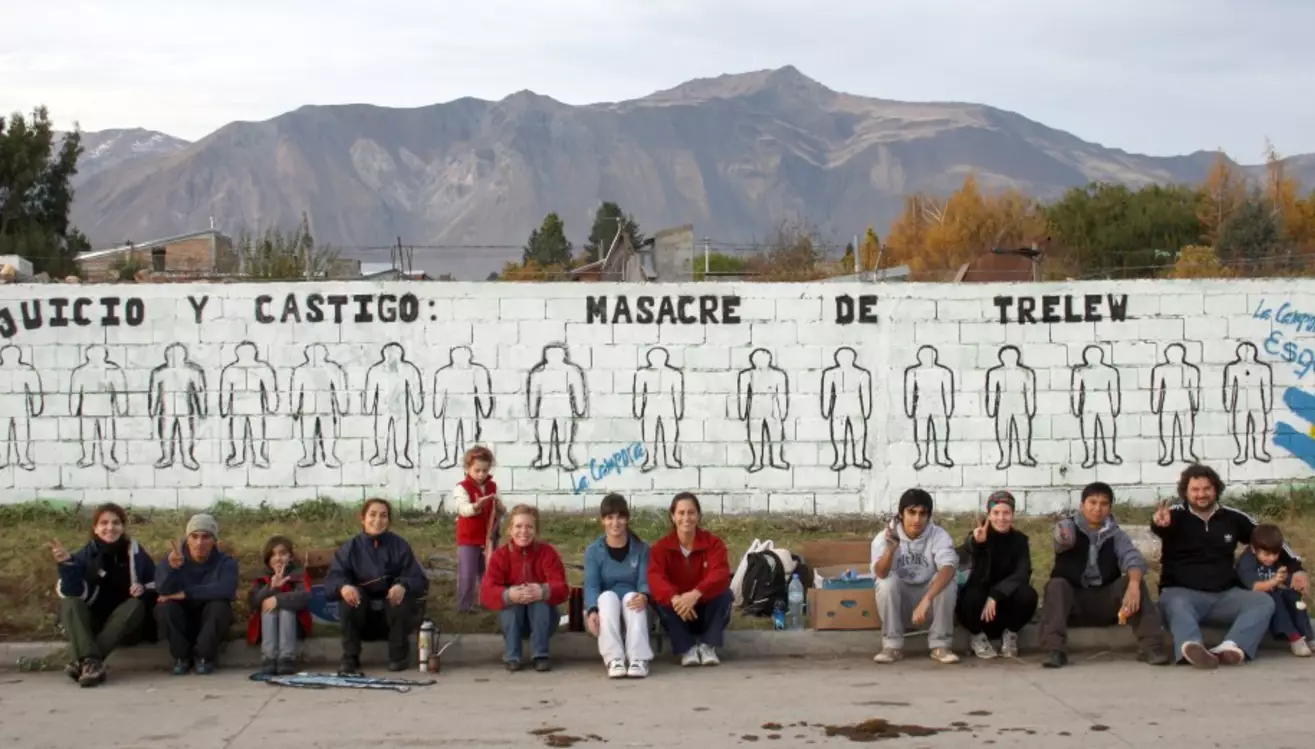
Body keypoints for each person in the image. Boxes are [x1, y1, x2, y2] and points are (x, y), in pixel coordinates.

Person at [1153, 464, 1300, 668]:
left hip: (1225, 595)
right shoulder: (1173, 516)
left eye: (1207, 488)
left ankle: (1231, 647)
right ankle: (1192, 647)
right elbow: (1160, 526)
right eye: (1195, 489)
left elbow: (1267, 538)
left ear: (1216, 489)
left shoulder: (1232, 517)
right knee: (1174, 603)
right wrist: (1159, 524)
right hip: (1182, 594)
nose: (1201, 494)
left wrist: (1296, 568)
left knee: (1263, 602)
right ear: (1185, 491)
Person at [1039, 482, 1169, 668]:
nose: (1097, 509)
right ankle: (1053, 650)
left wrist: (1133, 584)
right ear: (1082, 505)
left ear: (1110, 508)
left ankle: (1152, 648)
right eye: (1092, 503)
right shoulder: (1068, 526)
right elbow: (1061, 539)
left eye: (1103, 504)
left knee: (1134, 582)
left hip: (1105, 601)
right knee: (1056, 585)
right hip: (1072, 603)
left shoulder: (1116, 535)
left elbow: (1132, 558)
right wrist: (1064, 536)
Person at [51, 502, 156, 687]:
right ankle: (92, 663)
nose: (110, 528)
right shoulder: (85, 556)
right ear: (95, 528)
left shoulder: (136, 554)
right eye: (104, 523)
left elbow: (155, 586)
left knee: (135, 605)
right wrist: (66, 565)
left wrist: (142, 591)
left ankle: (84, 661)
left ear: (122, 527)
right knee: (70, 603)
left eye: (116, 523)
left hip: (127, 626)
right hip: (94, 623)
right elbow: (72, 591)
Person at [325, 498, 429, 676]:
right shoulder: (350, 548)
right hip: (363, 616)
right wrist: (343, 587)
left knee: (400, 597)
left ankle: (399, 655)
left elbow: (418, 579)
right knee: (350, 599)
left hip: (392, 616)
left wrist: (402, 585)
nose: (377, 520)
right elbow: (333, 579)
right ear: (363, 518)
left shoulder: (400, 546)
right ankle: (350, 656)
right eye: (372, 515)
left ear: (389, 520)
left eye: (383, 516)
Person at [871, 488, 959, 665]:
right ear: (901, 514)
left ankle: (940, 645)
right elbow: (880, 573)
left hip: (929, 607)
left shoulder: (938, 535)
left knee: (947, 581)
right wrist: (890, 551)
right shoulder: (885, 537)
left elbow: (949, 567)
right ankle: (892, 646)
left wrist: (927, 600)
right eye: (911, 513)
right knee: (887, 581)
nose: (917, 519)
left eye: (922, 513)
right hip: (900, 606)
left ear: (928, 516)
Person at [481, 504, 570, 672]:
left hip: (545, 620)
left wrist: (543, 591)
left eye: (529, 527)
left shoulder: (547, 553)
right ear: (510, 530)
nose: (524, 531)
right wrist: (509, 594)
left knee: (539, 601)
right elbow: (487, 591)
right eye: (518, 526)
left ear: (536, 530)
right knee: (513, 603)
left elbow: (563, 587)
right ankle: (512, 656)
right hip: (513, 621)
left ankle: (541, 655)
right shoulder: (500, 556)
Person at [649, 492, 733, 667]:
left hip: (705, 610)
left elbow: (721, 573)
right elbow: (655, 578)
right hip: (678, 612)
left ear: (698, 516)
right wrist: (676, 598)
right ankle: (686, 649)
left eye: (691, 512)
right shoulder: (661, 547)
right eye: (681, 513)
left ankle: (708, 646)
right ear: (673, 517)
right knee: (659, 599)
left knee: (725, 593)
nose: (686, 518)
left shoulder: (713, 544)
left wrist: (695, 594)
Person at [155, 513, 239, 675]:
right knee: (164, 607)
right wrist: (171, 569)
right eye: (194, 537)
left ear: (214, 541)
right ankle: (182, 657)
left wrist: (187, 594)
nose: (199, 542)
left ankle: (204, 657)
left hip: (209, 621)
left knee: (220, 606)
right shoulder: (173, 559)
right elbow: (162, 590)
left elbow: (226, 589)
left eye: (206, 537)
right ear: (188, 539)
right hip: (183, 619)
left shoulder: (226, 563)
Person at [957, 491, 1037, 660]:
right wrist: (977, 543)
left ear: (1013, 515)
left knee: (1028, 594)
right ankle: (977, 637)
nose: (1001, 518)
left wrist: (995, 595)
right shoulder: (980, 536)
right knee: (970, 596)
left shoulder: (1020, 540)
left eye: (1006, 513)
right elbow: (969, 547)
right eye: (996, 513)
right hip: (978, 610)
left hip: (1004, 605)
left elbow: (1022, 573)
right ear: (989, 514)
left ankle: (1011, 635)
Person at [584, 493, 653, 679]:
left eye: (620, 517)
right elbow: (591, 585)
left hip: (635, 607)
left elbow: (644, 580)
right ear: (602, 521)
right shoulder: (593, 551)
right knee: (607, 597)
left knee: (632, 597)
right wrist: (592, 610)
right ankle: (614, 659)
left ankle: (639, 658)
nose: (615, 523)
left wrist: (644, 595)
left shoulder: (642, 548)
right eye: (610, 517)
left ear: (627, 519)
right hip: (607, 607)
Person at [1236, 523, 1313, 657]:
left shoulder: (1275, 560)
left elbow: (1287, 578)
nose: (1271, 558)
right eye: (1266, 554)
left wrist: (1297, 585)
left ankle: (1308, 636)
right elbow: (1255, 586)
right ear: (1254, 549)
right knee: (1274, 597)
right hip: (1251, 598)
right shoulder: (1247, 561)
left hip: (1273, 591)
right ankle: (1293, 637)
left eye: (1275, 554)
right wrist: (1274, 581)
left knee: (1292, 597)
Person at [246, 535, 312, 675]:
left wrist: (278, 599)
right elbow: (254, 602)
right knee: (268, 609)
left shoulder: (297, 573)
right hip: (267, 625)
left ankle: (286, 658)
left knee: (286, 610)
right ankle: (269, 658)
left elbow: (305, 597)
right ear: (268, 559)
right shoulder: (262, 576)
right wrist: (271, 587)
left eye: (282, 554)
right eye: (273, 555)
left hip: (295, 624)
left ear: (290, 557)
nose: (278, 558)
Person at [453, 445, 504, 613]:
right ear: (467, 468)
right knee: (467, 574)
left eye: (485, 470)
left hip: (489, 537)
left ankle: (486, 600)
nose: (481, 474)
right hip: (468, 538)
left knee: (487, 571)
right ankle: (465, 606)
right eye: (477, 470)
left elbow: (501, 509)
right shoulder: (462, 487)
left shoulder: (493, 487)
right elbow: (463, 509)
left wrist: (500, 507)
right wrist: (476, 506)